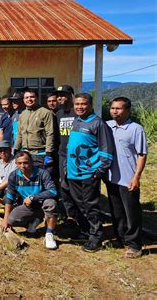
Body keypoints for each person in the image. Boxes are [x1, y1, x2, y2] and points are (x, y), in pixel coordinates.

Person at [66, 93, 115, 253]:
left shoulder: (98, 123)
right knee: (79, 203)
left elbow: (106, 150)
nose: (80, 107)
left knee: (90, 205)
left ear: (91, 105)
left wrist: (100, 170)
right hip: (73, 172)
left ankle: (96, 236)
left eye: (83, 104)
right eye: (77, 104)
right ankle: (86, 230)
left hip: (89, 173)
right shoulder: (76, 121)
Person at [106, 97, 147, 258]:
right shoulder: (108, 126)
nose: (115, 111)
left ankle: (135, 245)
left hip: (128, 178)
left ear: (128, 111)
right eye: (113, 108)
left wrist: (136, 177)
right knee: (116, 212)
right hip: (111, 178)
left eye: (119, 108)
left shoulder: (136, 129)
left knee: (132, 213)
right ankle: (120, 239)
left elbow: (142, 155)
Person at [3, 151, 58, 250]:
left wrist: (33, 197)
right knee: (11, 220)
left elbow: (53, 191)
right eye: (19, 163)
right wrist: (5, 218)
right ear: (16, 163)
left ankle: (49, 234)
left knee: (51, 204)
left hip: (43, 202)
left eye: (25, 162)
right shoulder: (13, 176)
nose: (23, 166)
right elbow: (9, 197)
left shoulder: (42, 173)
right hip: (29, 206)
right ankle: (34, 221)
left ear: (31, 162)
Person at [54, 85, 79, 224]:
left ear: (71, 95)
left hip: (77, 156)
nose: (60, 98)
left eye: (63, 95)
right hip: (62, 155)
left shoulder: (78, 112)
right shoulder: (59, 113)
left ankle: (81, 216)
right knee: (64, 186)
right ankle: (71, 216)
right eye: (58, 96)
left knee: (76, 187)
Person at [14, 88, 55, 171]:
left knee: (43, 180)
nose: (29, 99)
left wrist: (48, 153)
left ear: (37, 98)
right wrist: (16, 149)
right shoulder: (22, 114)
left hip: (40, 154)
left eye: (32, 97)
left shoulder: (45, 112)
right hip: (25, 154)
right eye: (27, 97)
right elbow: (19, 134)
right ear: (23, 99)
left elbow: (50, 133)